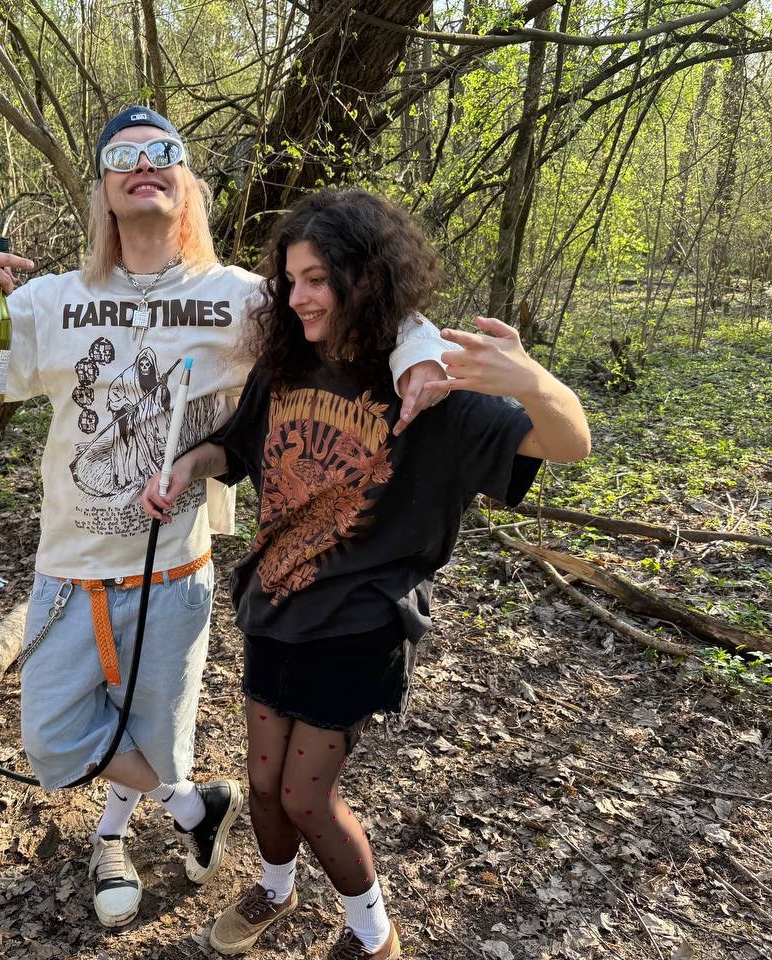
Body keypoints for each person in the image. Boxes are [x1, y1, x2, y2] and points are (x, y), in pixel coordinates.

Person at [0, 107, 456, 930]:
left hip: (174, 567)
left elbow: (360, 308)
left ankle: (114, 837)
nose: (143, 164)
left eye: (163, 152)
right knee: (54, 741)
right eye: (122, 156)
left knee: (155, 735)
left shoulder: (240, 300)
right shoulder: (55, 302)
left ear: (185, 184)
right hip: (72, 567)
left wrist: (420, 353)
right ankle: (195, 807)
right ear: (103, 191)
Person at [141, 189, 591, 958]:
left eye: (317, 279)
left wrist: (530, 381)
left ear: (367, 278)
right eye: (291, 280)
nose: (298, 297)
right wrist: (190, 464)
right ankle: (276, 888)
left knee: (304, 794)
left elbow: (570, 443)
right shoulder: (287, 365)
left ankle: (372, 932)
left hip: (361, 623)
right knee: (261, 782)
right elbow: (239, 447)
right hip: (276, 604)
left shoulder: (431, 390)